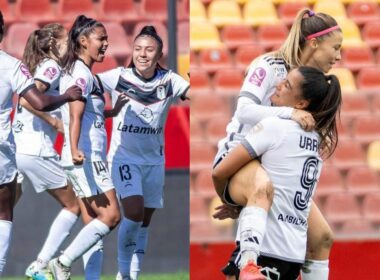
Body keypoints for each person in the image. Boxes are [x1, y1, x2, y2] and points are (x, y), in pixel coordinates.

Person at [213, 8, 342, 280]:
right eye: (336, 48)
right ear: (315, 43)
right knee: (262, 187)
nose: (339, 56)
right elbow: (244, 111)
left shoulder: (309, 83)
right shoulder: (270, 66)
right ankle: (248, 267)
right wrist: (289, 113)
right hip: (240, 158)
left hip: (270, 165)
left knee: (322, 237)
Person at [97, 25, 189, 279]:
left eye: (149, 49)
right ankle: (123, 273)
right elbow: (87, 86)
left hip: (154, 161)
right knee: (134, 212)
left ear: (158, 54)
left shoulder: (169, 80)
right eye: (137, 49)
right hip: (124, 157)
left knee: (144, 222)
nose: (142, 54)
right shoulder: (117, 77)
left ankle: (132, 275)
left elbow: (191, 92)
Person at [0, 11, 83, 275]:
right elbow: (29, 99)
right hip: (30, 149)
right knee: (75, 204)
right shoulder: (48, 66)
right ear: (51, 45)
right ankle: (42, 265)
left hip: (17, 148)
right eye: (65, 40)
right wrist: (56, 118)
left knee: (7, 207)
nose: (70, 44)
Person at [46, 15, 124, 280]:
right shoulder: (80, 73)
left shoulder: (83, 73)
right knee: (112, 216)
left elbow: (91, 114)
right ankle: (62, 262)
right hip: (86, 158)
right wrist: (77, 147)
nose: (106, 44)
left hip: (80, 156)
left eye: (106, 39)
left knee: (93, 224)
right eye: (101, 39)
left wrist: (114, 112)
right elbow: (75, 113)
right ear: (82, 40)